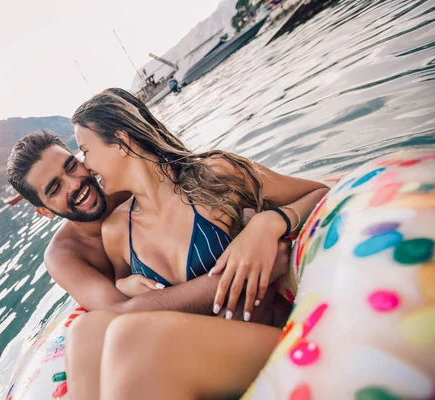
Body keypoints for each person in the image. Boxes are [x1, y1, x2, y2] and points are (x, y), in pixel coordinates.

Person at [65, 88, 329, 400]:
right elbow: (122, 283)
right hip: (186, 362)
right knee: (87, 329)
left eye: (86, 151)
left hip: (261, 344)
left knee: (130, 335)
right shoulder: (117, 230)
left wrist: (267, 223)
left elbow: (318, 192)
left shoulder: (213, 175)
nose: (85, 166)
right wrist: (124, 284)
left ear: (121, 143)